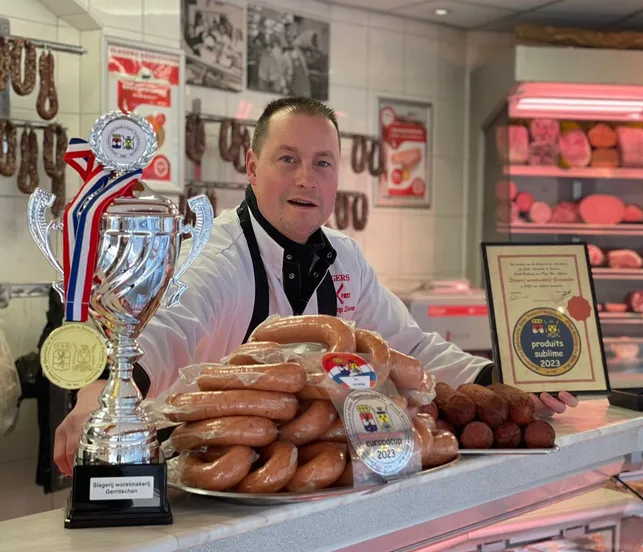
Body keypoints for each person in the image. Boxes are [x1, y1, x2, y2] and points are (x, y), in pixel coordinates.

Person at [52, 97, 578, 475]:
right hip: (209, 473)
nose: (307, 177)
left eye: (322, 163)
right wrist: (92, 405)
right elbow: (164, 335)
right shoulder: (220, 252)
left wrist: (500, 376)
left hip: (314, 467)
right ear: (253, 168)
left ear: (336, 180)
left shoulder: (343, 254)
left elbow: (409, 346)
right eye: (289, 160)